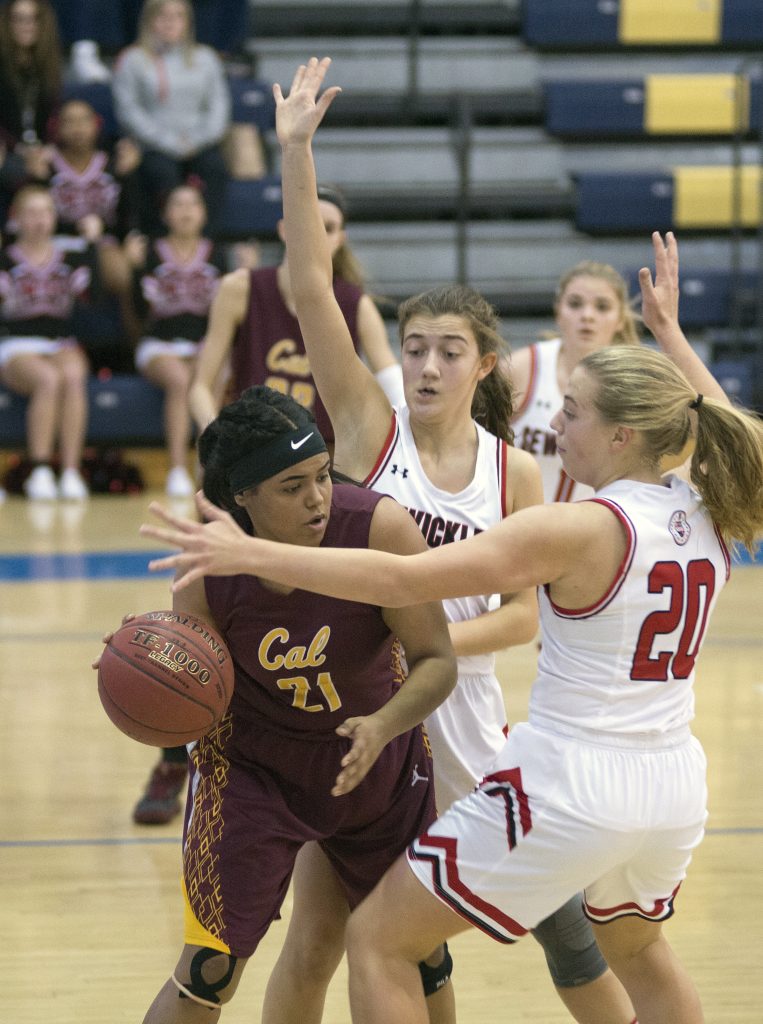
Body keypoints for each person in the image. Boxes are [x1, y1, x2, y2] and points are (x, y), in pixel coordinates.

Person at [143, 228, 763, 1024]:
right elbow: (728, 430)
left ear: (622, 435)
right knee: (638, 950)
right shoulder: (706, 510)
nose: (555, 425)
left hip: (570, 780)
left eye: (572, 413)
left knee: (378, 940)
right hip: (672, 784)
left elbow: (402, 580)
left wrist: (252, 551)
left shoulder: (575, 527)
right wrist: (670, 339)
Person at [249, 57, 635, 1024]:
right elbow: (310, 286)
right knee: (322, 940)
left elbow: (521, 620)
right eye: (414, 347)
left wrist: (424, 646)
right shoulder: (364, 429)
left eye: (447, 352)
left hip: (461, 727)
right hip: (362, 719)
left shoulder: (514, 473)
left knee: (558, 930)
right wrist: (294, 153)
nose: (423, 365)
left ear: (484, 365)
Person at [106, 383, 457, 1021]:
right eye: (292, 486)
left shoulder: (378, 527)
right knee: (209, 969)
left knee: (421, 954)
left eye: (322, 474)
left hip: (375, 761)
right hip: (255, 769)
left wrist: (383, 725)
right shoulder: (208, 562)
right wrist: (150, 669)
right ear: (242, 495)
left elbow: (437, 661)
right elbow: (195, 685)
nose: (318, 497)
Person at [188, 182, 405, 444]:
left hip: (326, 452)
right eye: (308, 224)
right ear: (284, 229)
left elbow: (392, 380)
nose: (317, 236)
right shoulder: (239, 288)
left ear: (341, 239)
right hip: (254, 447)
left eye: (328, 228)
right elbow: (201, 387)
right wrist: (216, 436)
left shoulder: (356, 304)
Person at [510, 260, 639, 503]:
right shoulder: (521, 367)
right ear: (558, 311)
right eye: (575, 304)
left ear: (620, 318)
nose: (587, 316)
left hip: (592, 524)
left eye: (602, 307)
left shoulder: (635, 384)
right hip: (516, 522)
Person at [130, 183, 228, 497]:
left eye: (193, 204)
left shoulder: (218, 253)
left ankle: (207, 466)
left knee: (209, 377)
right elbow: (137, 311)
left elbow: (225, 314)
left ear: (204, 213)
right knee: (180, 379)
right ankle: (176, 468)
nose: (186, 211)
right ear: (165, 214)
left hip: (201, 343)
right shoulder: (148, 252)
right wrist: (134, 269)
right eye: (178, 204)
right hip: (159, 344)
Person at [0, 183, 94, 499]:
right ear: (16, 218)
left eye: (46, 212)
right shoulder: (5, 258)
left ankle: (70, 471)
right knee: (48, 379)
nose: (40, 220)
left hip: (57, 341)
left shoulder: (71, 257)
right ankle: (40, 469)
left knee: (73, 375)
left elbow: (92, 300)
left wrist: (93, 246)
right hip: (16, 342)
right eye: (32, 213)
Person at [111, 0, 231, 238]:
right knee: (158, 172)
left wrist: (195, 141)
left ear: (188, 22)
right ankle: (160, 241)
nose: (170, 22)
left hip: (199, 143)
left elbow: (219, 108)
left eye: (178, 16)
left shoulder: (206, 58)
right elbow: (128, 111)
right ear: (148, 20)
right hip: (153, 145)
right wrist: (168, 142)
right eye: (162, 16)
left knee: (215, 168)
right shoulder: (132, 59)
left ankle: (206, 242)